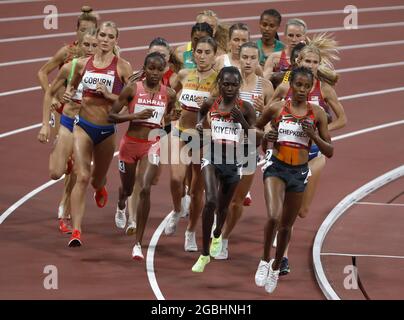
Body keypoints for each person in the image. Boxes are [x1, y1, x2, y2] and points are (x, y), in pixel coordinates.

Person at [269, 33, 346, 275]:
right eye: (307, 61)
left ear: (319, 64)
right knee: (283, 209)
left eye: (315, 62)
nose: (311, 66)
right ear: (299, 61)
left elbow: (343, 119)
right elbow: (270, 116)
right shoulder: (286, 87)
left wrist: (320, 132)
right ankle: (282, 258)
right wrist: (273, 131)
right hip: (286, 154)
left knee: (301, 211)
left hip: (314, 155)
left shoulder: (325, 89)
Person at [254, 66, 333, 293]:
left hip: (299, 172)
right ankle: (263, 261)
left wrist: (313, 135)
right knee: (273, 216)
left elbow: (329, 151)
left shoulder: (317, 114)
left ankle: (276, 267)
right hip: (276, 168)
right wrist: (266, 137)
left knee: (287, 226)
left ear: (310, 88)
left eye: (306, 86)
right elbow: (255, 129)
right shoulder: (277, 108)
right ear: (291, 85)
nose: (301, 89)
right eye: (297, 84)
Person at [64, 21, 133, 247]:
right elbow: (72, 86)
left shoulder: (123, 67)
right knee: (81, 176)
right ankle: (76, 231)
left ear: (116, 40)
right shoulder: (83, 64)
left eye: (109, 36)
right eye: (102, 35)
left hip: (106, 131)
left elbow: (130, 102)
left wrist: (109, 96)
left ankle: (100, 186)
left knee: (95, 179)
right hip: (83, 126)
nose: (104, 39)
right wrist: (67, 95)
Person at [109, 52, 177, 260]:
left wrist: (169, 118)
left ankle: (138, 243)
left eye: (159, 69)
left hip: (152, 145)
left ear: (165, 70)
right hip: (130, 145)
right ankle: (121, 204)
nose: (155, 73)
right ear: (144, 69)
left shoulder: (170, 93)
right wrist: (134, 116)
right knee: (128, 188)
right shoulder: (132, 89)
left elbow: (167, 117)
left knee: (145, 188)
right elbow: (111, 115)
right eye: (151, 68)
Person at [37, 5, 98, 227]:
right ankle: (60, 153)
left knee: (78, 165)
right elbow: (42, 72)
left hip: (85, 119)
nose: (86, 35)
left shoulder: (102, 59)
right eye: (82, 30)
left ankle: (65, 206)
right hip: (62, 112)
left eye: (91, 31)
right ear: (77, 30)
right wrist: (50, 97)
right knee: (57, 170)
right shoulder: (68, 53)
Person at [191, 66, 256, 272]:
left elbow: (255, 138)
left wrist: (242, 122)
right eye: (225, 83)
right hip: (211, 156)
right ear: (219, 83)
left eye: (234, 84)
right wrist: (200, 126)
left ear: (239, 85)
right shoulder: (211, 103)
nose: (229, 88)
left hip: (234, 162)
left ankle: (218, 232)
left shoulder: (246, 108)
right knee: (210, 200)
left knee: (222, 207)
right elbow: (200, 117)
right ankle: (204, 254)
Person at [215, 42, 274, 260]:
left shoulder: (266, 87)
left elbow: (269, 122)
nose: (248, 62)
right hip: (224, 148)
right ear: (239, 59)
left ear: (258, 61)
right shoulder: (229, 83)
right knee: (220, 197)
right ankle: (217, 227)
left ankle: (224, 237)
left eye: (252, 58)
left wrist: (262, 112)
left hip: (249, 149)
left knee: (237, 201)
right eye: (244, 58)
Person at [164, 37, 218, 254]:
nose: (202, 56)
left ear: (215, 55)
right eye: (199, 52)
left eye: (207, 52)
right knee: (176, 179)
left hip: (203, 139)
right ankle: (177, 210)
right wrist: (169, 110)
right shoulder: (185, 74)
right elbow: (168, 93)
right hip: (180, 133)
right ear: (193, 54)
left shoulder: (218, 81)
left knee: (197, 192)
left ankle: (190, 232)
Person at [124, 37, 181, 236]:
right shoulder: (136, 79)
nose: (157, 61)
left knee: (153, 179)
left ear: (168, 60)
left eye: (163, 57)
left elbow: (175, 109)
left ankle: (126, 201)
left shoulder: (174, 80)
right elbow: (121, 103)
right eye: (152, 55)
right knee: (140, 179)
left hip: (161, 132)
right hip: (138, 135)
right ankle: (131, 219)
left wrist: (172, 116)